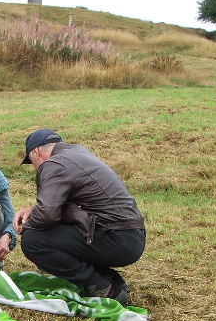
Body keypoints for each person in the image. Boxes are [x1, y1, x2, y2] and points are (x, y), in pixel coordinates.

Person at [13, 128, 146, 305]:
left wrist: (25, 228)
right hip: (130, 234)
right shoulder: (78, 154)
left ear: (36, 152)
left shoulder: (54, 164)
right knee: (58, 233)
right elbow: (70, 203)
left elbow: (47, 215)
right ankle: (112, 280)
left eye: (32, 162)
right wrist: (34, 209)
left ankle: (103, 288)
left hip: (116, 237)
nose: (35, 168)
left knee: (33, 241)